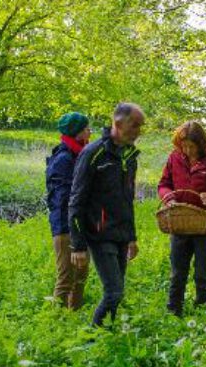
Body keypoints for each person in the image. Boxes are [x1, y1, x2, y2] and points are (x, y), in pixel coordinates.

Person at [69, 103, 145, 327]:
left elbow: (127, 200)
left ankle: (107, 335)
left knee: (117, 293)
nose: (138, 131)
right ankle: (94, 337)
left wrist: (131, 237)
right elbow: (76, 200)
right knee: (113, 292)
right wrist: (78, 245)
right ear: (118, 123)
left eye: (141, 126)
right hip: (99, 233)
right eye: (135, 125)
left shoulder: (130, 156)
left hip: (121, 232)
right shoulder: (93, 153)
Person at [158, 121, 206, 317]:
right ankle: (174, 313)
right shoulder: (174, 157)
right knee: (177, 273)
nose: (188, 150)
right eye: (184, 146)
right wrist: (168, 196)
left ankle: (202, 315)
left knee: (202, 275)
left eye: (192, 146)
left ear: (201, 144)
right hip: (180, 223)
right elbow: (164, 184)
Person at [46, 112, 92, 309]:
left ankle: (74, 315)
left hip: (79, 225)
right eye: (86, 128)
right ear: (77, 133)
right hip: (65, 226)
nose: (90, 131)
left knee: (81, 274)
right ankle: (57, 322)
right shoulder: (64, 159)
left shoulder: (78, 154)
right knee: (66, 276)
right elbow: (63, 198)